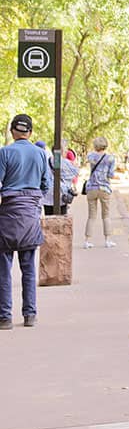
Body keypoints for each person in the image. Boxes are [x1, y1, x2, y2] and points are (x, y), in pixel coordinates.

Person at [0, 114, 49, 330]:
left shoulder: (4, 152)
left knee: (4, 270)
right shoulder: (40, 154)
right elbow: (46, 184)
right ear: (29, 133)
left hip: (8, 216)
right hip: (30, 216)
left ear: (12, 132)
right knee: (28, 269)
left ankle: (5, 318)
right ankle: (30, 315)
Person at [84, 137, 117, 249]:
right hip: (104, 189)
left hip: (91, 188)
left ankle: (87, 241)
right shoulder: (110, 158)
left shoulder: (91, 156)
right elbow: (111, 175)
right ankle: (108, 240)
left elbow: (88, 161)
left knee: (91, 216)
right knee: (106, 215)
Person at [43, 150, 79, 216]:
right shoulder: (64, 162)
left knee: (48, 219)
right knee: (61, 219)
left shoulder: (46, 161)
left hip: (47, 195)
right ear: (62, 152)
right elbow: (75, 173)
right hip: (61, 194)